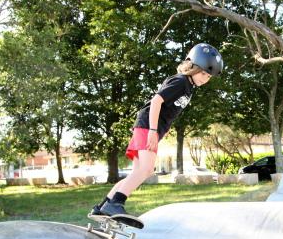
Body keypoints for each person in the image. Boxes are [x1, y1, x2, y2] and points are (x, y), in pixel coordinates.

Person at [90, 43, 223, 217]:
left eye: (209, 76)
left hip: (149, 127)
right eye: (204, 73)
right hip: (147, 126)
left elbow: (169, 110)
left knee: (138, 172)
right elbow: (156, 101)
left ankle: (102, 207)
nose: (205, 79)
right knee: (146, 170)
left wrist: (163, 129)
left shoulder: (188, 87)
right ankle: (116, 203)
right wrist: (153, 130)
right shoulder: (181, 81)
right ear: (193, 66)